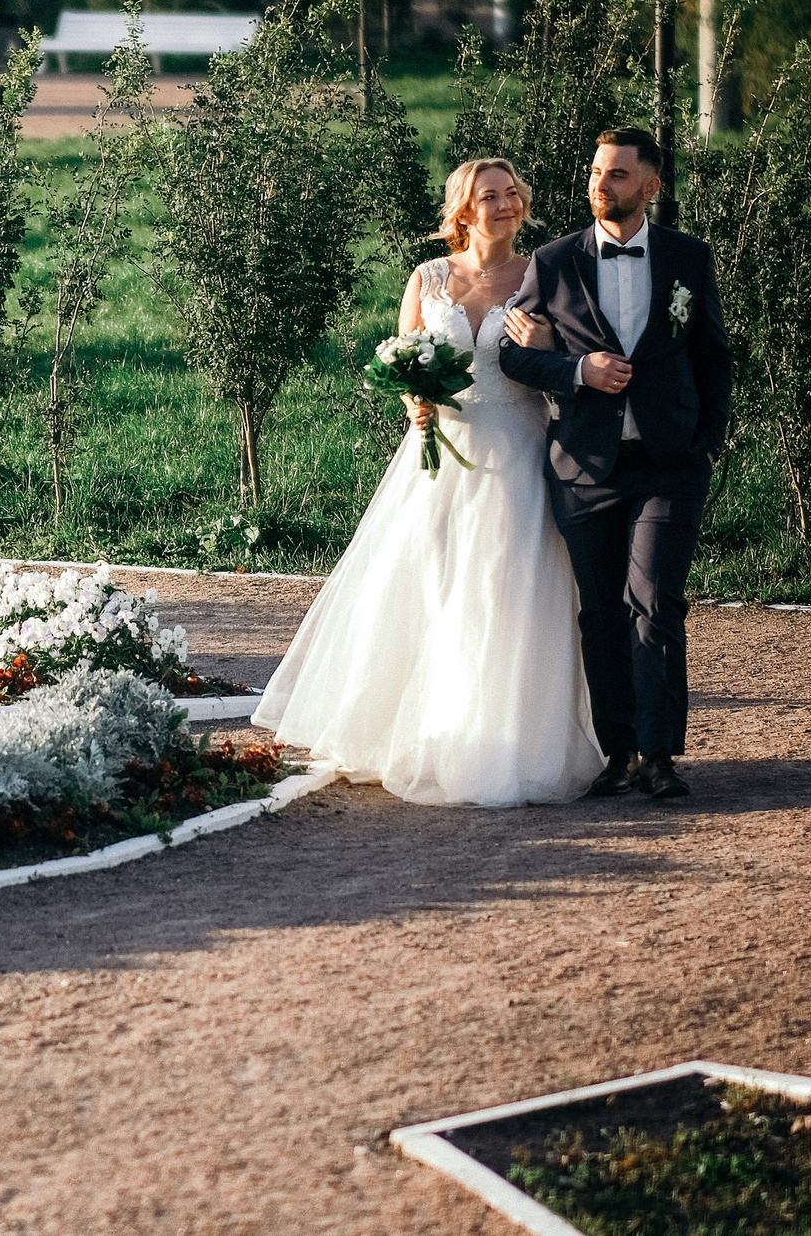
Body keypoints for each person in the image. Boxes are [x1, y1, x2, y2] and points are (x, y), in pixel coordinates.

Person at [253, 159, 607, 807]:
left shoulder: (544, 277)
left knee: (509, 591)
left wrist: (550, 341)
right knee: (437, 588)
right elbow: (405, 358)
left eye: (511, 195)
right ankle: (436, 734)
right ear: (463, 211)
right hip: (441, 451)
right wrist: (413, 404)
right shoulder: (429, 278)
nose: (504, 205)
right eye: (488, 196)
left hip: (520, 450)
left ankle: (511, 744)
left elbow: (565, 365)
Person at [498, 128, 732, 802]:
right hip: (584, 466)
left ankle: (660, 756)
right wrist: (576, 369)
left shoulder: (690, 258)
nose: (602, 183)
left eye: (619, 174)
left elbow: (714, 354)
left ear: (650, 187)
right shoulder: (553, 261)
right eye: (597, 171)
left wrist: (706, 439)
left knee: (654, 600)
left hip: (670, 462)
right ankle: (619, 751)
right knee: (601, 613)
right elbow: (513, 354)